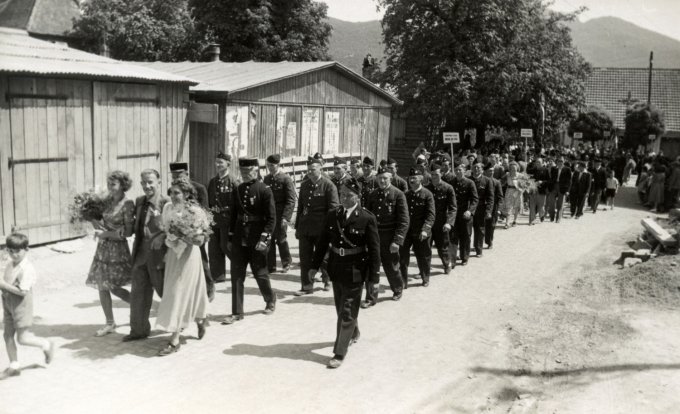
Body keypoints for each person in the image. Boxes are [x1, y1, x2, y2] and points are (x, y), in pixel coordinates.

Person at [308, 182, 380, 369]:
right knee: (341, 308)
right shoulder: (333, 215)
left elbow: (374, 251)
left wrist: (374, 279)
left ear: (358, 197)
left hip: (356, 270)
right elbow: (323, 242)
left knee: (347, 311)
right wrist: (314, 267)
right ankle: (353, 332)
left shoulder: (366, 218)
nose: (344, 198)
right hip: (336, 268)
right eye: (342, 194)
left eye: (349, 195)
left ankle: (339, 352)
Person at [155, 178, 209, 356]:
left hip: (189, 257)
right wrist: (168, 237)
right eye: (171, 192)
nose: (173, 196)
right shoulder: (167, 208)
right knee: (177, 291)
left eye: (177, 192)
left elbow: (200, 240)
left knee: (179, 291)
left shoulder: (195, 211)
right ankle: (200, 319)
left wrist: (185, 234)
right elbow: (165, 229)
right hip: (172, 256)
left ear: (187, 194)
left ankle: (175, 339)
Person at [223, 158, 277, 324]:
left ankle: (270, 298)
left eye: (248, 172)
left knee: (260, 273)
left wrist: (264, 239)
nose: (245, 175)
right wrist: (231, 237)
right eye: (243, 172)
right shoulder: (238, 190)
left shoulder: (265, 190)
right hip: (240, 238)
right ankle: (237, 312)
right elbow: (233, 215)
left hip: (257, 238)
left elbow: (271, 218)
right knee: (236, 276)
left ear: (256, 171)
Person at [86, 170, 134, 337]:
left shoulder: (128, 204)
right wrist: (92, 219)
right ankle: (109, 323)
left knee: (113, 287)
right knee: (102, 285)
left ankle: (139, 306)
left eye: (113, 184)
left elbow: (128, 232)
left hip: (117, 250)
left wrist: (106, 234)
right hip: (103, 249)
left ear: (123, 185)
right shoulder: (105, 201)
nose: (110, 187)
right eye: (109, 184)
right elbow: (98, 220)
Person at [1, 233, 56, 376]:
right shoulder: (9, 265)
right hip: (7, 304)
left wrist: (3, 286)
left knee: (22, 339)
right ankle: (14, 366)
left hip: (21, 306)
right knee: (7, 335)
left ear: (26, 249)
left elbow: (22, 292)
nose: (14, 255)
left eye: (17, 251)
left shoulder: (27, 269)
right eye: (10, 251)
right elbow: (6, 283)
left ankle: (46, 344)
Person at [364, 164, 409, 304]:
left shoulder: (398, 195)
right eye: (379, 178)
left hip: (390, 238)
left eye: (385, 178)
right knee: (372, 268)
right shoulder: (372, 195)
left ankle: (397, 289)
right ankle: (371, 297)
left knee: (392, 267)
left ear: (390, 178)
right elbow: (366, 217)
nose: (382, 181)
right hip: (374, 237)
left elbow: (404, 220)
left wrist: (397, 241)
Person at [294, 156, 339, 295]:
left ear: (321, 169)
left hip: (321, 229)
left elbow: (333, 209)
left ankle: (328, 280)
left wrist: (330, 231)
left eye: (312, 169)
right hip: (306, 228)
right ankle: (307, 286)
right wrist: (297, 228)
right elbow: (300, 208)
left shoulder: (328, 185)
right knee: (305, 258)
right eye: (308, 170)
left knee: (324, 258)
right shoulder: (305, 185)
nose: (310, 172)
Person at [169, 162, 214, 300]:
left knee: (201, 257)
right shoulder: (172, 189)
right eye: (174, 175)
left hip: (195, 229)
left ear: (187, 174)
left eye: (180, 174)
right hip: (178, 231)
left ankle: (209, 286)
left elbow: (205, 210)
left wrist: (200, 230)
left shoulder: (199, 188)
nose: (177, 177)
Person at [207, 152, 239, 285]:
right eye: (216, 162)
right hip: (214, 219)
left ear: (228, 164)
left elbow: (238, 203)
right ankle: (218, 276)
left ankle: (239, 268)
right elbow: (209, 202)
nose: (218, 165)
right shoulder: (213, 182)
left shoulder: (233, 181)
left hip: (228, 219)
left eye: (221, 162)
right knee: (214, 248)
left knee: (226, 246)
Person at [399, 168, 435, 287]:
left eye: (414, 178)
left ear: (421, 179)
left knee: (423, 256)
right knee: (403, 257)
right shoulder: (406, 195)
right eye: (410, 178)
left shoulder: (427, 194)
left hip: (421, 232)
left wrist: (425, 230)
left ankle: (425, 278)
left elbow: (430, 215)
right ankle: (403, 281)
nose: (412, 180)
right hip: (407, 232)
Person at [264, 154, 296, 273]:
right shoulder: (266, 179)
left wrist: (285, 217)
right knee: (269, 239)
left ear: (278, 165)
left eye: (272, 165)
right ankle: (271, 266)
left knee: (281, 239)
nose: (270, 167)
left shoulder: (285, 179)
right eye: (268, 165)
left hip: (280, 214)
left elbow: (291, 200)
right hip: (269, 215)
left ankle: (286, 263)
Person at [426, 164, 457, 273]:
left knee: (443, 246)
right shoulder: (426, 188)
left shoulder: (448, 188)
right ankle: (424, 270)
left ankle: (446, 264)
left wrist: (449, 222)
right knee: (425, 247)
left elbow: (453, 208)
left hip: (441, 222)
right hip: (428, 223)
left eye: (437, 174)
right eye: (432, 174)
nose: (434, 176)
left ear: (442, 174)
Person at [450, 162, 478, 266]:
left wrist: (470, 211)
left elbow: (475, 200)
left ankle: (464, 257)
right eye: (456, 170)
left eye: (460, 170)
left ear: (465, 171)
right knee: (452, 237)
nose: (457, 172)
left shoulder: (470, 183)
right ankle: (452, 260)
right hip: (453, 214)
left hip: (465, 214)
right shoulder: (451, 182)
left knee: (465, 237)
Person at [470, 162, 494, 257]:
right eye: (474, 167)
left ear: (482, 170)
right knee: (467, 230)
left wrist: (488, 211)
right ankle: (466, 250)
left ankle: (478, 249)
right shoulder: (468, 180)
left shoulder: (487, 181)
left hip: (481, 208)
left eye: (478, 168)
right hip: (469, 208)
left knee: (479, 229)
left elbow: (490, 197)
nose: (476, 169)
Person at [483, 163, 503, 249]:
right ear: (485, 172)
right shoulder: (482, 181)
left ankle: (489, 241)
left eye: (492, 171)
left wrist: (499, 209)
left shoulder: (497, 182)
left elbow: (500, 197)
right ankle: (479, 243)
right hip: (482, 206)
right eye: (489, 171)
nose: (491, 172)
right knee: (481, 226)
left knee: (491, 225)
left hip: (493, 207)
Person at [546, 157, 571, 223]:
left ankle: (558, 218)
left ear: (563, 162)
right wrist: (549, 188)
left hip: (562, 187)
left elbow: (569, 181)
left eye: (561, 161)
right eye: (559, 161)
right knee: (551, 203)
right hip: (553, 187)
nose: (560, 162)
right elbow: (550, 179)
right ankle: (552, 216)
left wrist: (567, 190)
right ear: (557, 162)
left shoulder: (567, 169)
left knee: (560, 204)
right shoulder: (554, 169)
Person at [502, 162, 524, 228]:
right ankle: (507, 222)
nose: (513, 169)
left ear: (517, 168)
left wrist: (521, 189)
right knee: (508, 207)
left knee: (516, 206)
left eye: (514, 168)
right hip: (509, 191)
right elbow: (502, 181)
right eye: (511, 168)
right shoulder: (507, 175)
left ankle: (515, 220)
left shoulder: (520, 175)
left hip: (517, 192)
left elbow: (525, 184)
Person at [527, 157, 548, 224]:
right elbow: (527, 171)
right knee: (532, 206)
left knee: (541, 207)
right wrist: (530, 162)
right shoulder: (533, 169)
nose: (538, 163)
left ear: (542, 163)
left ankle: (541, 215)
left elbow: (548, 180)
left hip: (541, 191)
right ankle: (531, 220)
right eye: (537, 162)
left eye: (539, 162)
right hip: (533, 190)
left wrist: (542, 182)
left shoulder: (545, 170)